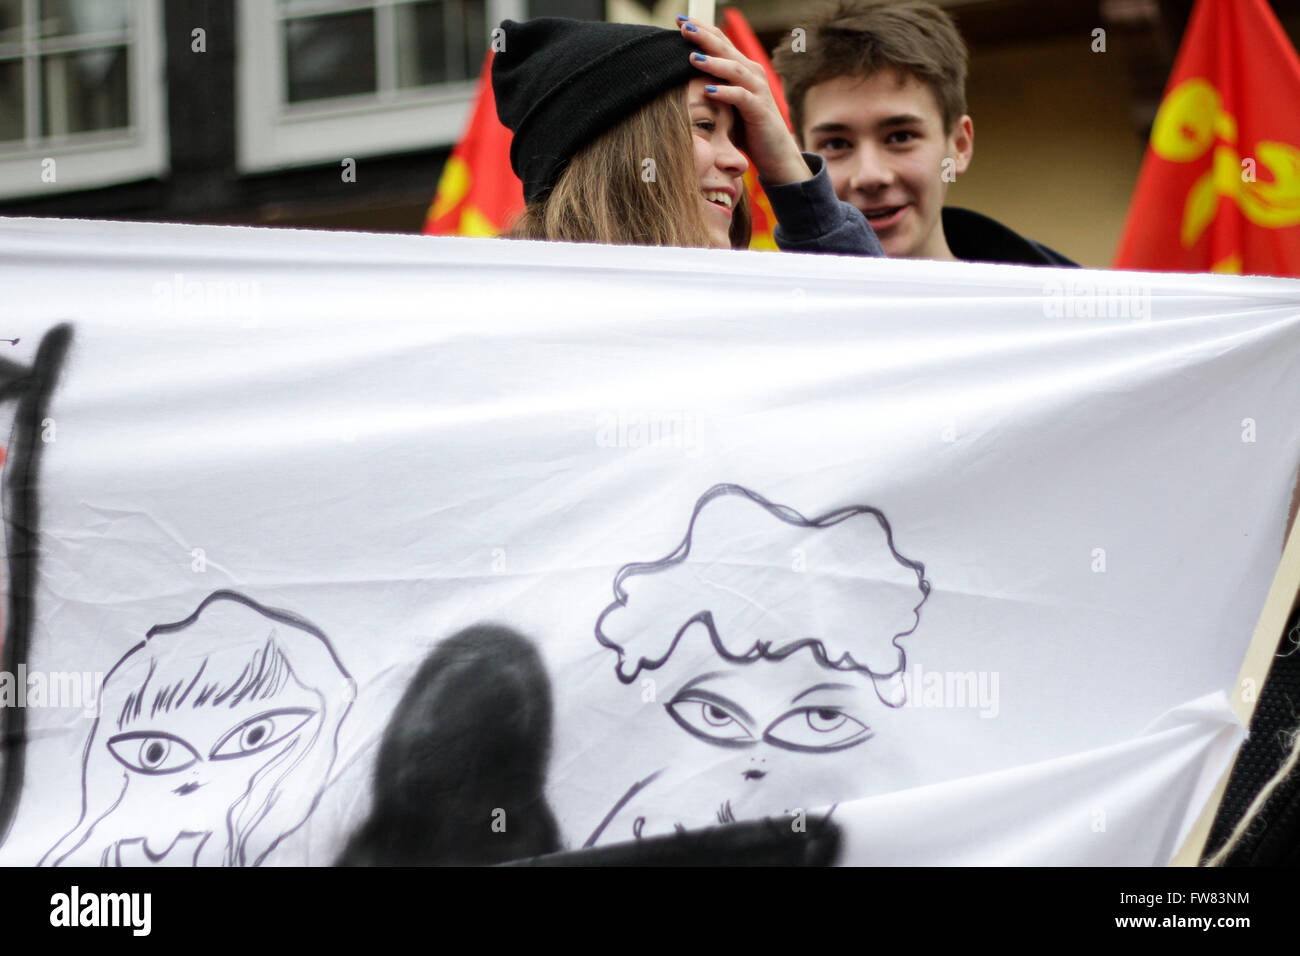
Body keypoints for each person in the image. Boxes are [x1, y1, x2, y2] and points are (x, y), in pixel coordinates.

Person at [491, 16, 884, 257]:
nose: (741, 162)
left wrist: (790, 174)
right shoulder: (497, 309)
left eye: (737, 137)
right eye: (705, 125)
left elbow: (878, 334)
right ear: (619, 150)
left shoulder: (747, 312)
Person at [773, 0, 1077, 266]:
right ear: (801, 158)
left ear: (959, 144)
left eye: (900, 137)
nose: (870, 176)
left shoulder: (1066, 313)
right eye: (836, 143)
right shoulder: (763, 320)